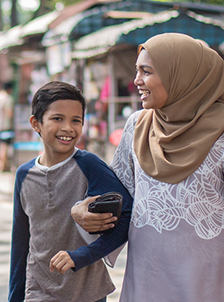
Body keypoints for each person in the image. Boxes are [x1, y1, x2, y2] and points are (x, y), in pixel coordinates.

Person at [74, 33, 224, 301]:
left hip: (210, 281)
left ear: (181, 75)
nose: (137, 81)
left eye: (147, 71)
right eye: (137, 71)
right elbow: (119, 196)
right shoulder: (136, 126)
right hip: (149, 276)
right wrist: (85, 210)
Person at [8, 81, 132, 302]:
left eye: (76, 120)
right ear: (36, 124)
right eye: (58, 119)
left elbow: (128, 215)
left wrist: (82, 256)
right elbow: (20, 243)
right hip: (38, 292)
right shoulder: (23, 175)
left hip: (87, 293)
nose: (68, 127)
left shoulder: (90, 165)